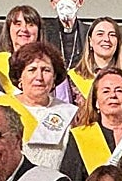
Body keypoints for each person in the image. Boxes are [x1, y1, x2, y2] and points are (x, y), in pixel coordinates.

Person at [61, 67, 122, 181]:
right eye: (106, 91)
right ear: (96, 102)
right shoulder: (82, 137)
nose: (113, 95)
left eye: (119, 90)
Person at [9, 40, 79, 169]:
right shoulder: (3, 108)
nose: (39, 77)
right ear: (19, 77)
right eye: (32, 70)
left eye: (46, 70)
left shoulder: (70, 113)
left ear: (54, 78)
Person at [68, 16, 122, 101]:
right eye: (100, 34)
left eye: (112, 35)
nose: (106, 39)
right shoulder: (72, 78)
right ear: (90, 41)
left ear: (118, 42)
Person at [0, 4, 44, 93]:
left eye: (30, 24)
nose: (24, 29)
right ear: (8, 29)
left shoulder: (49, 65)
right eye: (18, 24)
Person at [45, 0, 92, 68]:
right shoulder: (43, 31)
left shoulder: (90, 32)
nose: (64, 1)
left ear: (80, 2)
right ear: (53, 3)